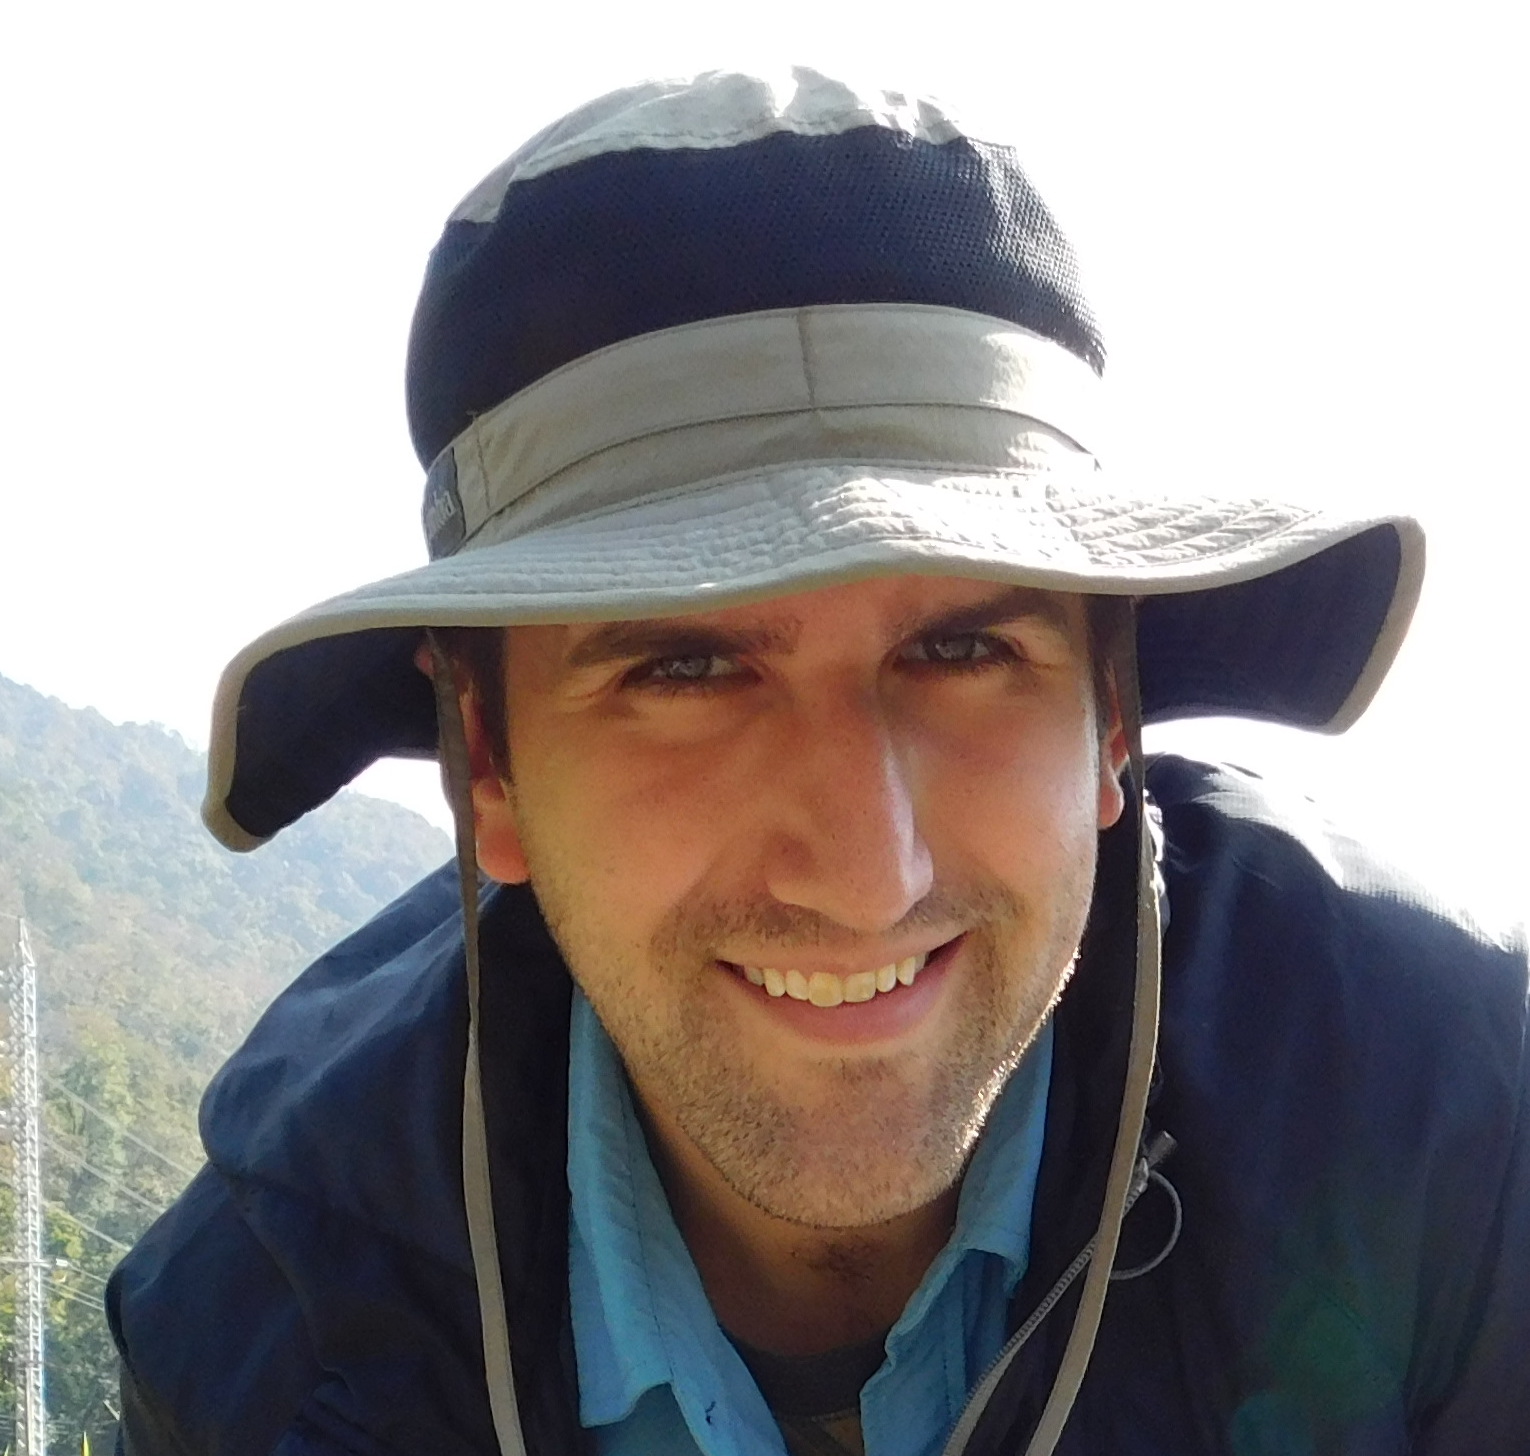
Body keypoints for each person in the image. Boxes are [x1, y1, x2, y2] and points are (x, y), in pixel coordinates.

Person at [107, 68, 1529, 1456]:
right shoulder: (263, 1336)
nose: (867, 874)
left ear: (1113, 716)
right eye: (685, 672)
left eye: (964, 650)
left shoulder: (1448, 1119)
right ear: (488, 764)